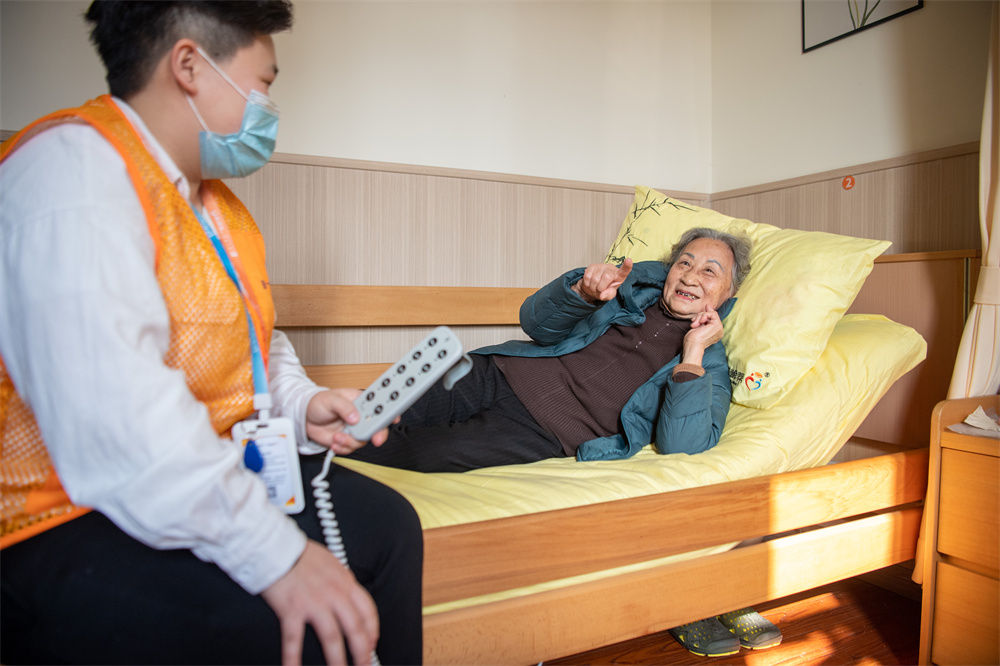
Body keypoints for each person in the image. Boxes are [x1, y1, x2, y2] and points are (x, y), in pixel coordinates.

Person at [0, 2, 422, 665]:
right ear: (189, 66)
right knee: (295, 622)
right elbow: (120, 423)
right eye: (264, 83)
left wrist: (301, 404)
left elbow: (253, 342)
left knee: (389, 528)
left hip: (197, 476)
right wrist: (279, 557)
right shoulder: (72, 175)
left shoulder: (215, 206)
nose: (268, 109)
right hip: (65, 518)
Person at [347, 226, 751, 472]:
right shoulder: (623, 289)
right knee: (385, 406)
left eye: (709, 271)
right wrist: (582, 293)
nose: (690, 277)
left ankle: (316, 463)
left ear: (728, 294)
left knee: (427, 453)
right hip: (500, 372)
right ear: (668, 270)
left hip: (545, 431)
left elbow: (682, 444)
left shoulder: (710, 363)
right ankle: (314, 434)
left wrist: (692, 354)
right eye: (684, 263)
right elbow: (535, 323)